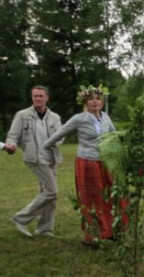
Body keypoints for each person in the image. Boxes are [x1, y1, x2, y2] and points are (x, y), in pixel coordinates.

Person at [43, 85, 120, 245]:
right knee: (92, 198)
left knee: (107, 196)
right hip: (87, 163)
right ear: (85, 102)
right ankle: (92, 236)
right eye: (90, 99)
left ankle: (108, 231)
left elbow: (114, 135)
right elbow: (61, 132)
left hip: (105, 162)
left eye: (97, 99)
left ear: (102, 101)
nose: (94, 102)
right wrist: (47, 145)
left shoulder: (105, 117)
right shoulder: (80, 118)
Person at [5, 86, 62, 237]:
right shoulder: (22, 115)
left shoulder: (54, 117)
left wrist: (56, 142)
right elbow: (13, 135)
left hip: (52, 159)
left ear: (47, 98)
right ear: (32, 98)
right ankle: (21, 218)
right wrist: (11, 144)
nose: (38, 99)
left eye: (40, 96)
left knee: (48, 193)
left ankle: (45, 229)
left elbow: (61, 135)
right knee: (52, 191)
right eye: (35, 96)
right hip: (34, 158)